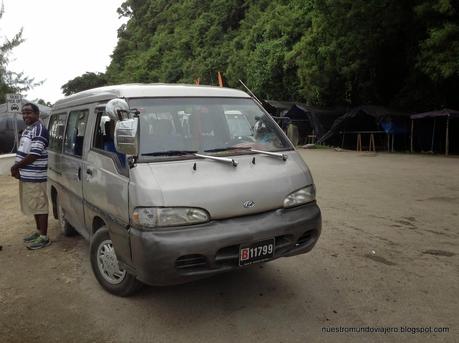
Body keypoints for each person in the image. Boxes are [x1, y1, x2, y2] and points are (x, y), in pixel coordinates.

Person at [10, 103, 50, 250]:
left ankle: (44, 237)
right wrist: (19, 169)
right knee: (34, 205)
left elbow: (35, 154)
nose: (26, 115)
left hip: (37, 176)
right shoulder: (29, 129)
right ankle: (39, 232)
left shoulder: (39, 130)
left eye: (29, 112)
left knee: (40, 206)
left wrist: (16, 166)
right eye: (24, 113)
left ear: (37, 114)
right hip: (28, 175)